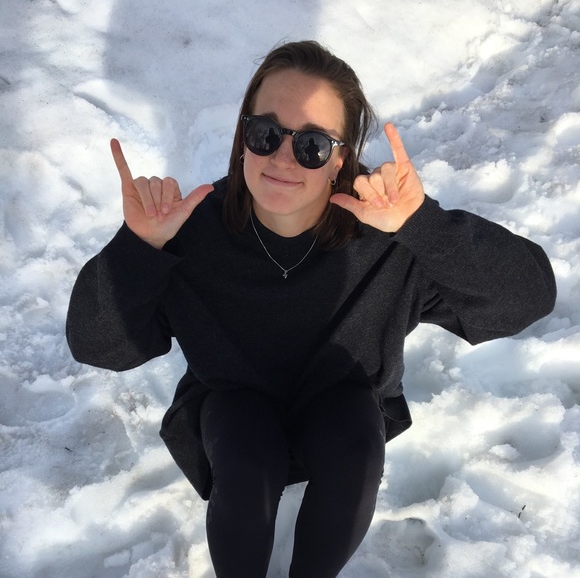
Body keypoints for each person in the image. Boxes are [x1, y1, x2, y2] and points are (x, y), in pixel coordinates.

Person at [66, 40, 556, 577]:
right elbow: (99, 346)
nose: (282, 157)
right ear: (243, 136)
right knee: (246, 452)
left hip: (342, 412)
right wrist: (139, 247)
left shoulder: (383, 233)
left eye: (313, 145)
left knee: (353, 445)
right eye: (265, 133)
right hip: (234, 410)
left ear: (340, 158)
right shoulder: (193, 230)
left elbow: (526, 299)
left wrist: (423, 225)